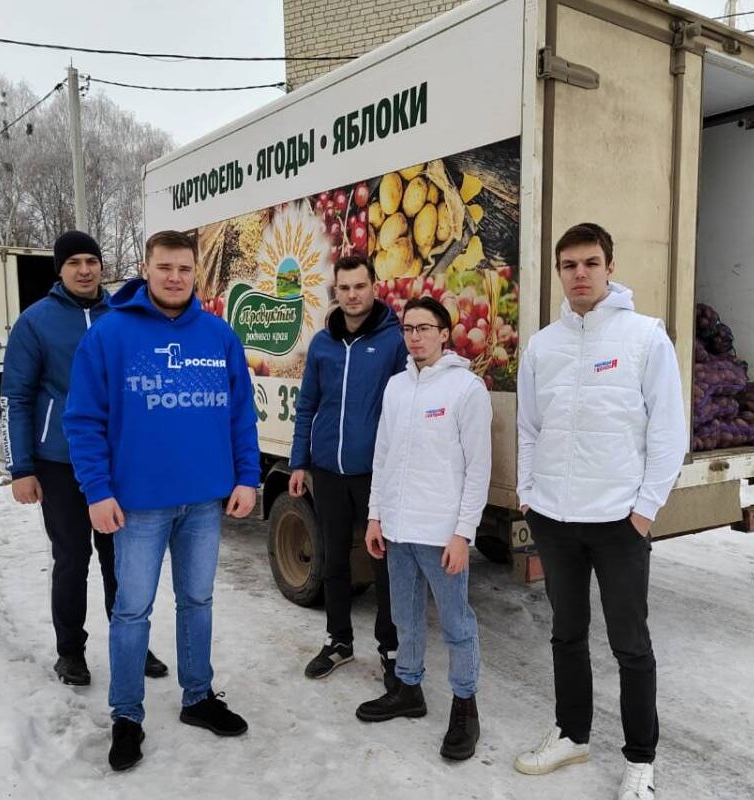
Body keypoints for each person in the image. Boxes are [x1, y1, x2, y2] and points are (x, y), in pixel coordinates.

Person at [63, 229, 260, 772]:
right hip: (139, 506)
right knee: (131, 611)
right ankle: (127, 715)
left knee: (197, 602)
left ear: (196, 273)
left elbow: (241, 415)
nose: (175, 277)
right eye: (165, 267)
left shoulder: (219, 336)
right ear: (146, 269)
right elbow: (82, 421)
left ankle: (198, 697)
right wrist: (97, 492)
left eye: (185, 269)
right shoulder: (110, 335)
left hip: (203, 503)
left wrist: (247, 478)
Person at [514, 223, 686, 800]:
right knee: (567, 634)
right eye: (569, 265)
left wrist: (643, 511)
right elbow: (529, 428)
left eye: (590, 263)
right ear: (559, 272)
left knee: (630, 644)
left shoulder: (644, 338)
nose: (579, 274)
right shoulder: (543, 345)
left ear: (610, 267)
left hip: (618, 522)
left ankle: (641, 758)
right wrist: (528, 493)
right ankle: (572, 734)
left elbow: (668, 432)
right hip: (555, 520)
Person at [0, 230, 167, 687]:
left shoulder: (124, 316)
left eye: (91, 260)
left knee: (124, 561)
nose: (85, 269)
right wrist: (22, 468)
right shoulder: (36, 322)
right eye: (73, 262)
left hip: (120, 463)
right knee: (73, 560)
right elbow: (15, 396)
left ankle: (131, 641)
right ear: (60, 269)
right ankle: (70, 651)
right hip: (59, 463)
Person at [356, 296, 492, 762]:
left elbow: (478, 470)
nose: (414, 336)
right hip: (397, 529)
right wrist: (376, 516)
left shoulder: (466, 390)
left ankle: (465, 705)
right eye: (408, 328)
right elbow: (383, 456)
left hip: (441, 535)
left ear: (443, 332)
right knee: (405, 618)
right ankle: (408, 689)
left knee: (455, 623)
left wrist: (463, 534)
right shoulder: (396, 387)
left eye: (424, 328)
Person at [288, 254, 406, 687]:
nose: (352, 295)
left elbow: (404, 409)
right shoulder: (322, 344)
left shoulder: (393, 342)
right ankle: (339, 641)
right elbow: (307, 407)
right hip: (327, 470)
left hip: (376, 474)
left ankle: (391, 649)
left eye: (360, 286)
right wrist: (299, 461)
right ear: (334, 291)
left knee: (383, 563)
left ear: (374, 286)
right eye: (345, 288)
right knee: (333, 558)